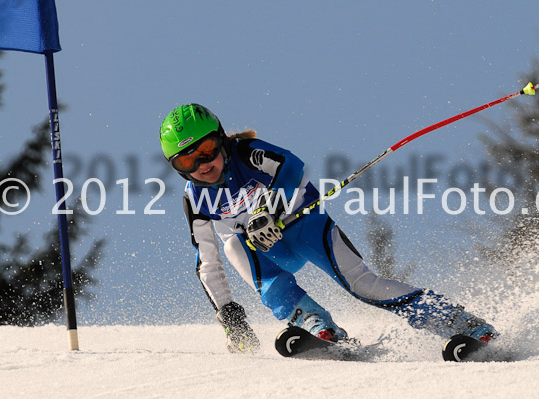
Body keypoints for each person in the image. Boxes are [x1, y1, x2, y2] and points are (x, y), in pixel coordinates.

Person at [159, 103, 498, 353]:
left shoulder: (247, 153)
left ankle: (459, 322)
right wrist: (230, 315)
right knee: (233, 244)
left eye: (206, 150)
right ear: (178, 169)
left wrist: (269, 208)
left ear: (221, 141)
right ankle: (313, 322)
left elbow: (292, 168)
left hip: (304, 226)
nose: (203, 164)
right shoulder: (195, 199)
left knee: (362, 284)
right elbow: (207, 262)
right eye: (188, 160)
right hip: (266, 250)